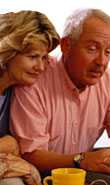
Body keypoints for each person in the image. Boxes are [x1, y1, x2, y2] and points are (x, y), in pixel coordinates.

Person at [10, 8, 110, 177]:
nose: (101, 62)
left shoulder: (108, 80)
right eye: (92, 49)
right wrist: (81, 160)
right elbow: (31, 154)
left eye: (108, 51)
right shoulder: (34, 79)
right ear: (66, 46)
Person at [0, 10, 59, 185]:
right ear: (7, 52)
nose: (41, 67)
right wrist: (8, 143)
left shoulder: (14, 90)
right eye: (33, 57)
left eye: (44, 57)